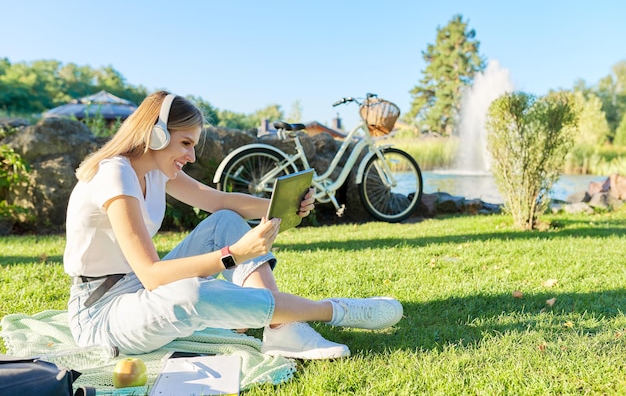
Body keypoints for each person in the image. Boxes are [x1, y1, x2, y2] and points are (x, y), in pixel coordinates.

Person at [63, 91, 403, 360]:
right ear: (155, 134)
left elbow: (218, 202)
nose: (192, 157)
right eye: (186, 143)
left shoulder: (153, 171)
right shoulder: (115, 173)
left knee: (223, 221)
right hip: (101, 314)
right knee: (192, 293)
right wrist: (234, 255)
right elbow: (152, 274)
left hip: (136, 289)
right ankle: (334, 310)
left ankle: (281, 327)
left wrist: (280, 207)